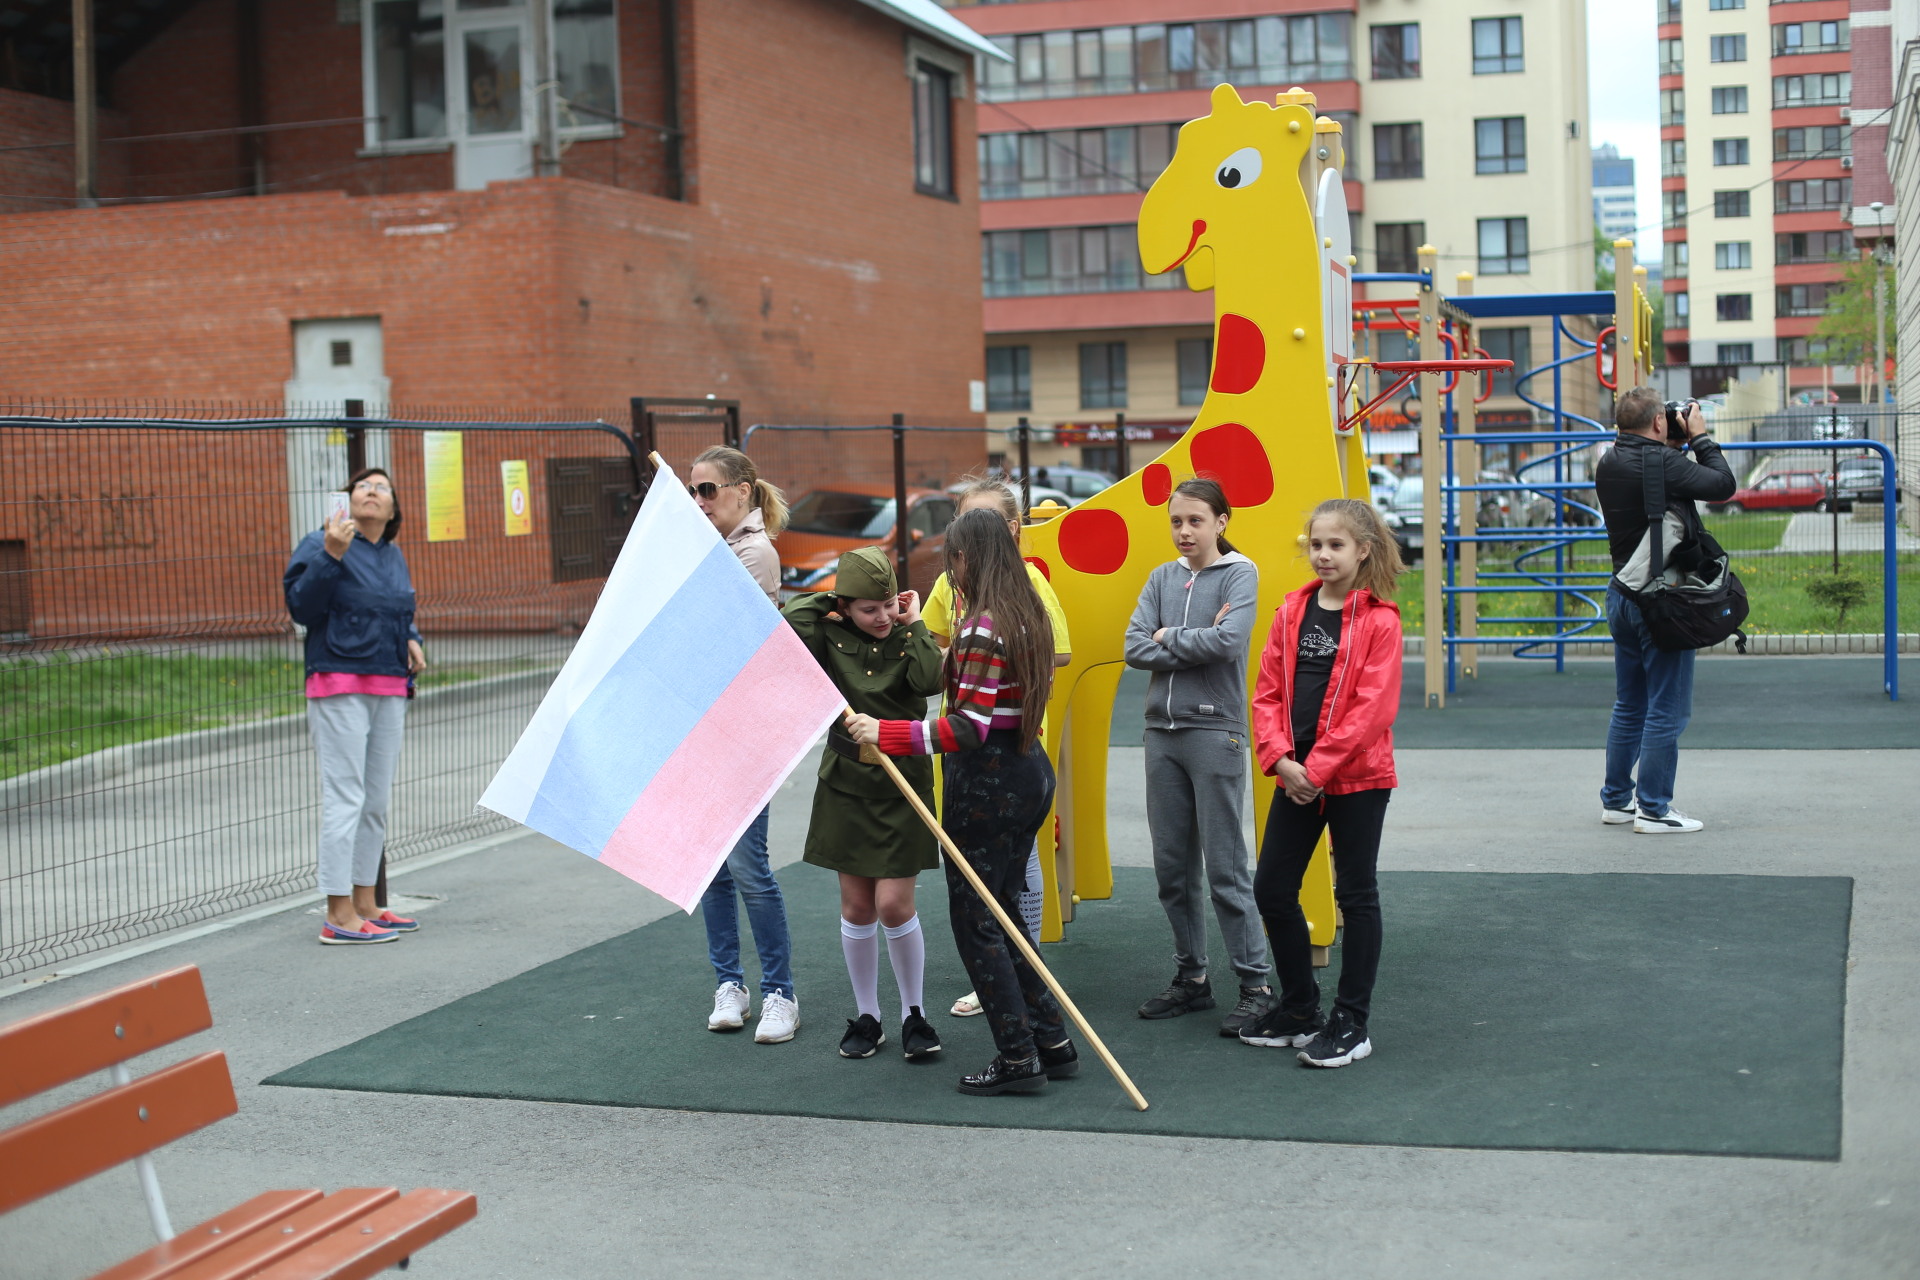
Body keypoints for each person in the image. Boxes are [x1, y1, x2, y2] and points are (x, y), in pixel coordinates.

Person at [846, 509, 1072, 1097]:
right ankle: (1050, 1040)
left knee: (978, 924)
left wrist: (885, 733)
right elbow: (976, 693)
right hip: (1029, 771)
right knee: (1006, 914)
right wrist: (918, 631)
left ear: (967, 559)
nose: (950, 570)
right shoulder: (1027, 613)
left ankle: (1018, 1055)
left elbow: (968, 726)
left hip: (988, 783)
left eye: (953, 558)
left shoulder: (981, 626)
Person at [1244, 498, 1405, 1069]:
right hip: (1295, 777)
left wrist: (1316, 770)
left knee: (1356, 895)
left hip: (1357, 779)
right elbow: (1266, 693)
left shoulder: (1381, 621)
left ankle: (1351, 1022)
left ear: (1363, 550)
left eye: (1336, 545)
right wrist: (1280, 759)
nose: (1323, 555)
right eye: (1316, 544)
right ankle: (1299, 1008)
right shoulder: (1291, 612)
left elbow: (1371, 710)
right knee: (1272, 888)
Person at [1122, 478, 1275, 1035]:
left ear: (1221, 521)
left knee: (1225, 868)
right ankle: (1192, 978)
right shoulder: (1161, 577)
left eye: (1195, 521)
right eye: (1176, 522)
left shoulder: (1240, 573)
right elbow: (1133, 646)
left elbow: (1229, 642)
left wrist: (1166, 636)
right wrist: (1185, 637)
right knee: (1172, 868)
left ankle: (1256, 986)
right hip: (1161, 734)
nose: (1184, 531)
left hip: (1214, 732)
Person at [783, 548, 945, 1061]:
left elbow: (931, 681)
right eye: (868, 608)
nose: (882, 617)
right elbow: (788, 622)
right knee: (856, 906)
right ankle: (868, 1016)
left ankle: (914, 1013)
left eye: (888, 604)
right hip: (846, 783)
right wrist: (830, 600)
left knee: (894, 904)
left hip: (901, 783)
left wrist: (914, 623)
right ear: (845, 607)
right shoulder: (829, 636)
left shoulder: (908, 635)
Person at [921, 477, 1072, 1019]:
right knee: (991, 884)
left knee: (1004, 882)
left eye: (980, 523)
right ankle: (1033, 1013)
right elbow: (933, 642)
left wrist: (981, 655)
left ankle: (1020, 988)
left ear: (1009, 530)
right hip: (973, 752)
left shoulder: (1022, 589)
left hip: (1003, 747)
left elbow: (1056, 651)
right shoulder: (955, 588)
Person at [284, 467, 426, 945]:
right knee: (345, 797)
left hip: (389, 682)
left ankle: (367, 904)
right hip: (338, 680)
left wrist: (411, 636)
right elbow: (302, 608)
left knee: (375, 800)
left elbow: (396, 607)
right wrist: (331, 555)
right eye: (363, 485)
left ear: (392, 509)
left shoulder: (393, 554)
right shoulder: (320, 543)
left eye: (382, 487)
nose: (371, 490)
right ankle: (337, 914)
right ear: (347, 500)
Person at [688, 445, 801, 1044]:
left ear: (742, 491)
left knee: (747, 866)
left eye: (707, 489)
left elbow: (720, 640)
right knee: (714, 867)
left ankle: (780, 991)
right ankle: (729, 984)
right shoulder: (711, 548)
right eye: (693, 490)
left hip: (744, 732)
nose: (698, 500)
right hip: (708, 729)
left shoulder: (752, 552)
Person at [1594, 389, 1735, 834]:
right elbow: (1722, 485)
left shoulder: (1609, 461)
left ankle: (1617, 801)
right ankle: (1654, 809)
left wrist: (1672, 445)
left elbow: (1654, 477)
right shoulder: (1662, 464)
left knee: (1630, 704)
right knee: (1667, 710)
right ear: (1659, 422)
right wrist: (1701, 438)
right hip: (1660, 600)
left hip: (1621, 594)